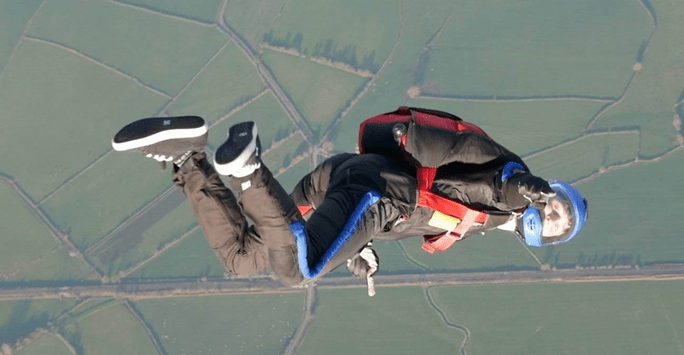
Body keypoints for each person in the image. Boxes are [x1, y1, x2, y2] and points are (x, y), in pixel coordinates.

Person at [111, 107, 587, 294]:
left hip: (346, 181)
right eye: (556, 205)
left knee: (244, 257)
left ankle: (188, 155)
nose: (548, 216)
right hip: (379, 192)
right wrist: (526, 183)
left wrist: (357, 246)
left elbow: (456, 197)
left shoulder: (486, 222)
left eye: (556, 224)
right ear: (550, 191)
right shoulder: (507, 191)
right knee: (299, 269)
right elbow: (497, 176)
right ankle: (249, 170)